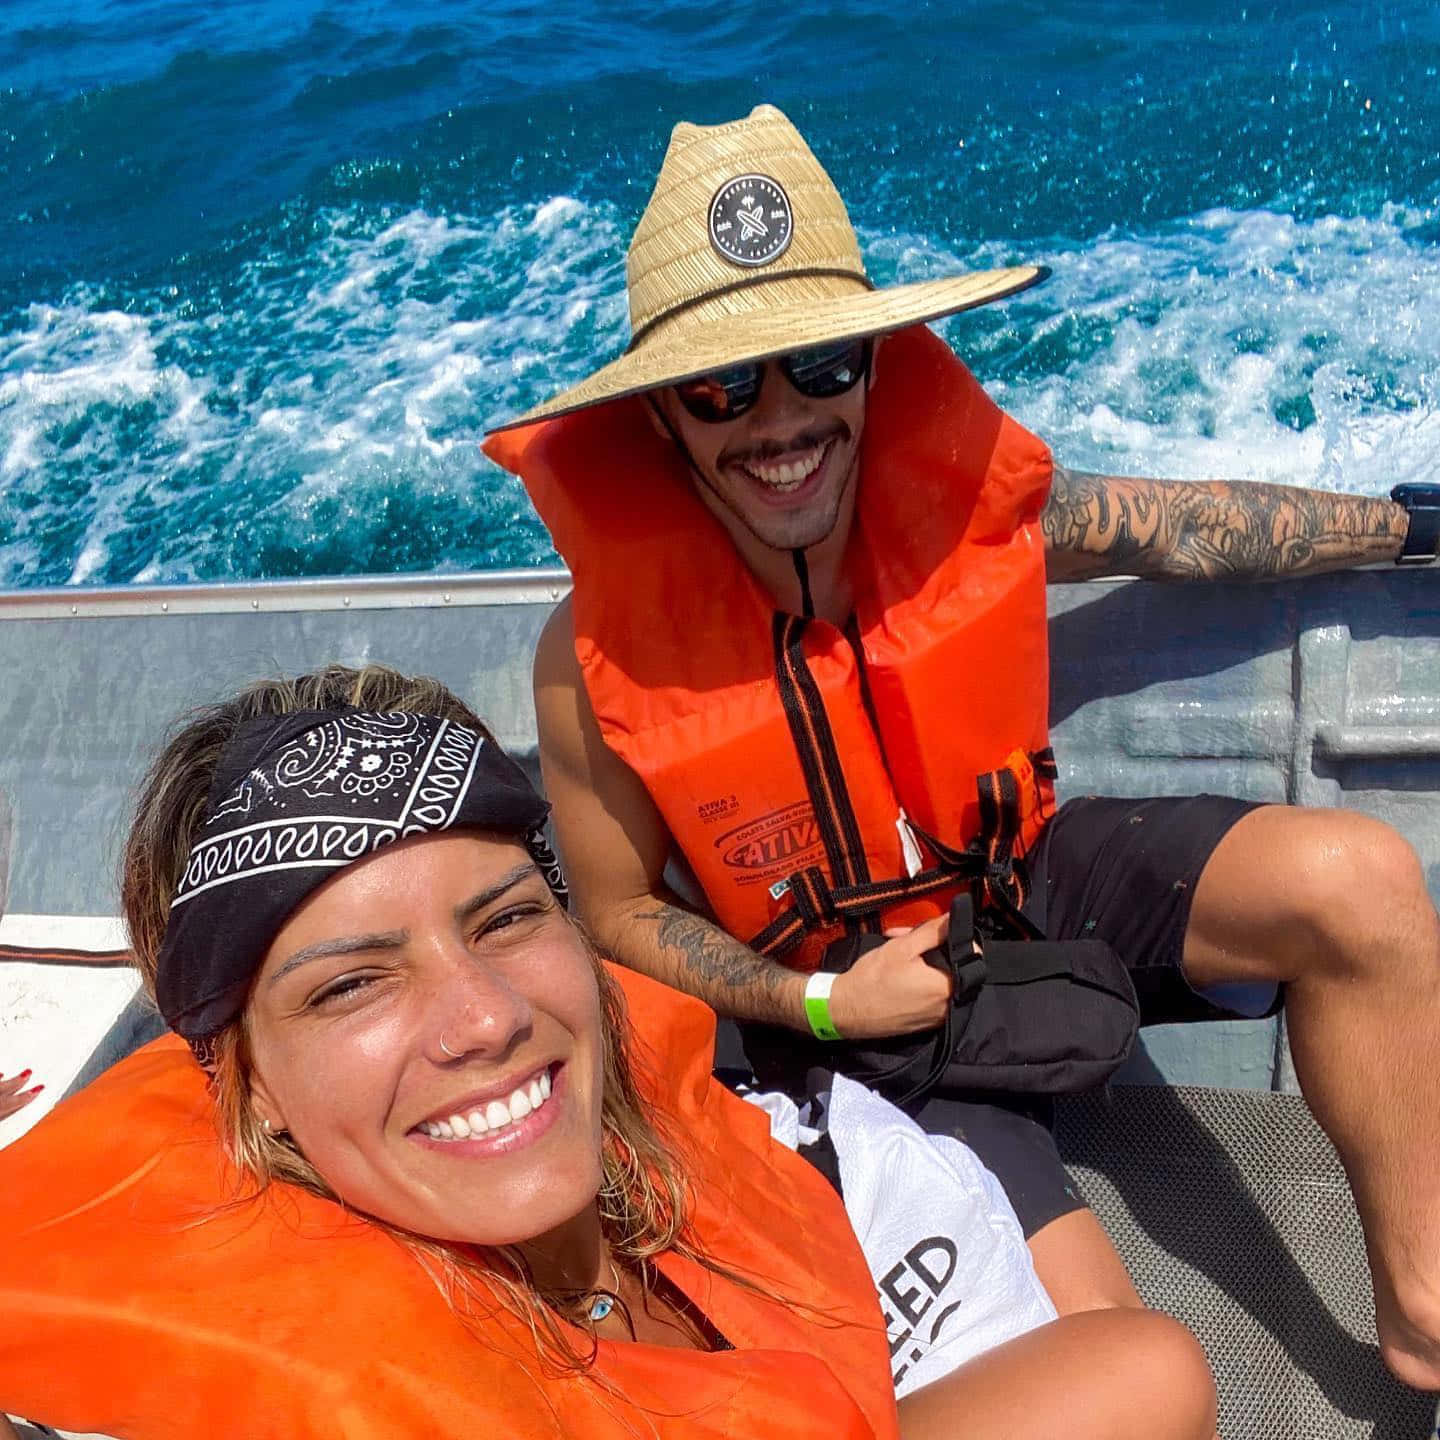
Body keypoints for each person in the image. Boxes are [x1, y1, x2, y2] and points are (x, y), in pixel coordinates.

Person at [483, 104, 1440, 1388]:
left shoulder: (966, 505)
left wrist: (1406, 527)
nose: (780, 420)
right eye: (725, 385)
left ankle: (1426, 1312)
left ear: (874, 363)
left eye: (820, 362)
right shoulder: (593, 655)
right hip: (856, 1014)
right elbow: (614, 915)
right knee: (1115, 1363)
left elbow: (1186, 526)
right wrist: (821, 1002)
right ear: (663, 415)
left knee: (1358, 878)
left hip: (1018, 879)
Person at [0, 664, 1217, 1440]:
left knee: (1142, 1370)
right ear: (249, 1081)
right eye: (353, 984)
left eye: (505, 921)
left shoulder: (838, 1170)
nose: (484, 1019)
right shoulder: (269, 1390)